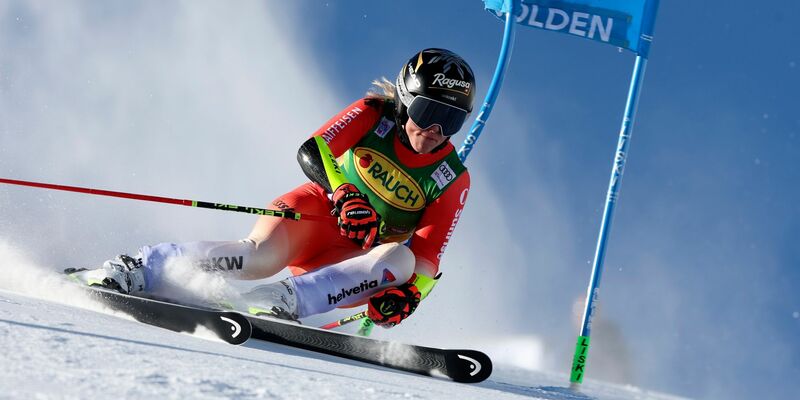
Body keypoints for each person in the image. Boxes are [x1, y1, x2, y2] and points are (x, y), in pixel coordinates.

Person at [69, 48, 475, 328]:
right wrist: (344, 194)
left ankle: (281, 300)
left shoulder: (452, 177)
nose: (435, 130)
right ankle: (140, 269)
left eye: (451, 120)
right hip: (314, 215)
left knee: (401, 264)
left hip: (352, 259)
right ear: (405, 99)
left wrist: (411, 296)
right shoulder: (374, 114)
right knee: (257, 258)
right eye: (427, 111)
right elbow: (314, 148)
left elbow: (427, 255)